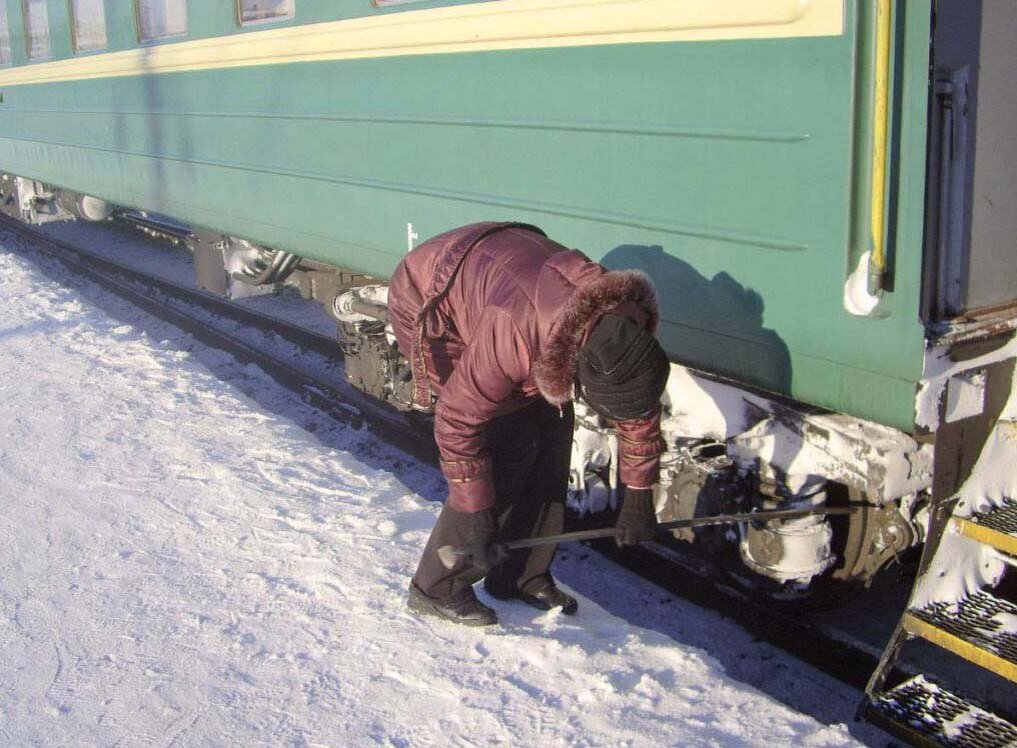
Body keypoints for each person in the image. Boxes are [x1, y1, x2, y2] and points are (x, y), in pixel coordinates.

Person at [388, 222, 670, 626]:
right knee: (507, 442)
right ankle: (437, 587)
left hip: (505, 279)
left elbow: (637, 405)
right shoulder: (514, 332)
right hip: (432, 295)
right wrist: (478, 512)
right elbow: (456, 422)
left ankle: (518, 576)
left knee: (552, 429)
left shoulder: (626, 331)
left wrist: (639, 493)